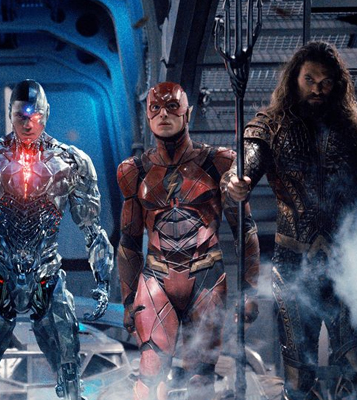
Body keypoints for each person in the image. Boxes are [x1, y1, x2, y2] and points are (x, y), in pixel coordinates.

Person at [0, 79, 113, 400]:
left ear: (46, 114)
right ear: (10, 114)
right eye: (21, 116)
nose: (28, 123)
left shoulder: (72, 162)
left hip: (46, 276)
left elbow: (92, 229)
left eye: (35, 115)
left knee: (70, 375)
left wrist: (103, 282)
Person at [223, 41, 357, 399]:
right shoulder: (270, 126)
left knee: (354, 362)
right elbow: (245, 163)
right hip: (293, 262)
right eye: (309, 79)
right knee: (298, 373)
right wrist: (237, 181)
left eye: (325, 82)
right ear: (294, 78)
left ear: (337, 85)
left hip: (346, 263)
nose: (317, 88)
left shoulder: (352, 130)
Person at [117, 82, 261, 400]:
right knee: (150, 368)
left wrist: (249, 291)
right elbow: (129, 241)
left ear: (188, 112)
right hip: (157, 277)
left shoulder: (219, 162)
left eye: (172, 106)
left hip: (206, 275)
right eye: (156, 108)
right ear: (147, 115)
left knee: (201, 377)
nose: (163, 114)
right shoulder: (133, 171)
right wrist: (128, 300)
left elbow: (245, 231)